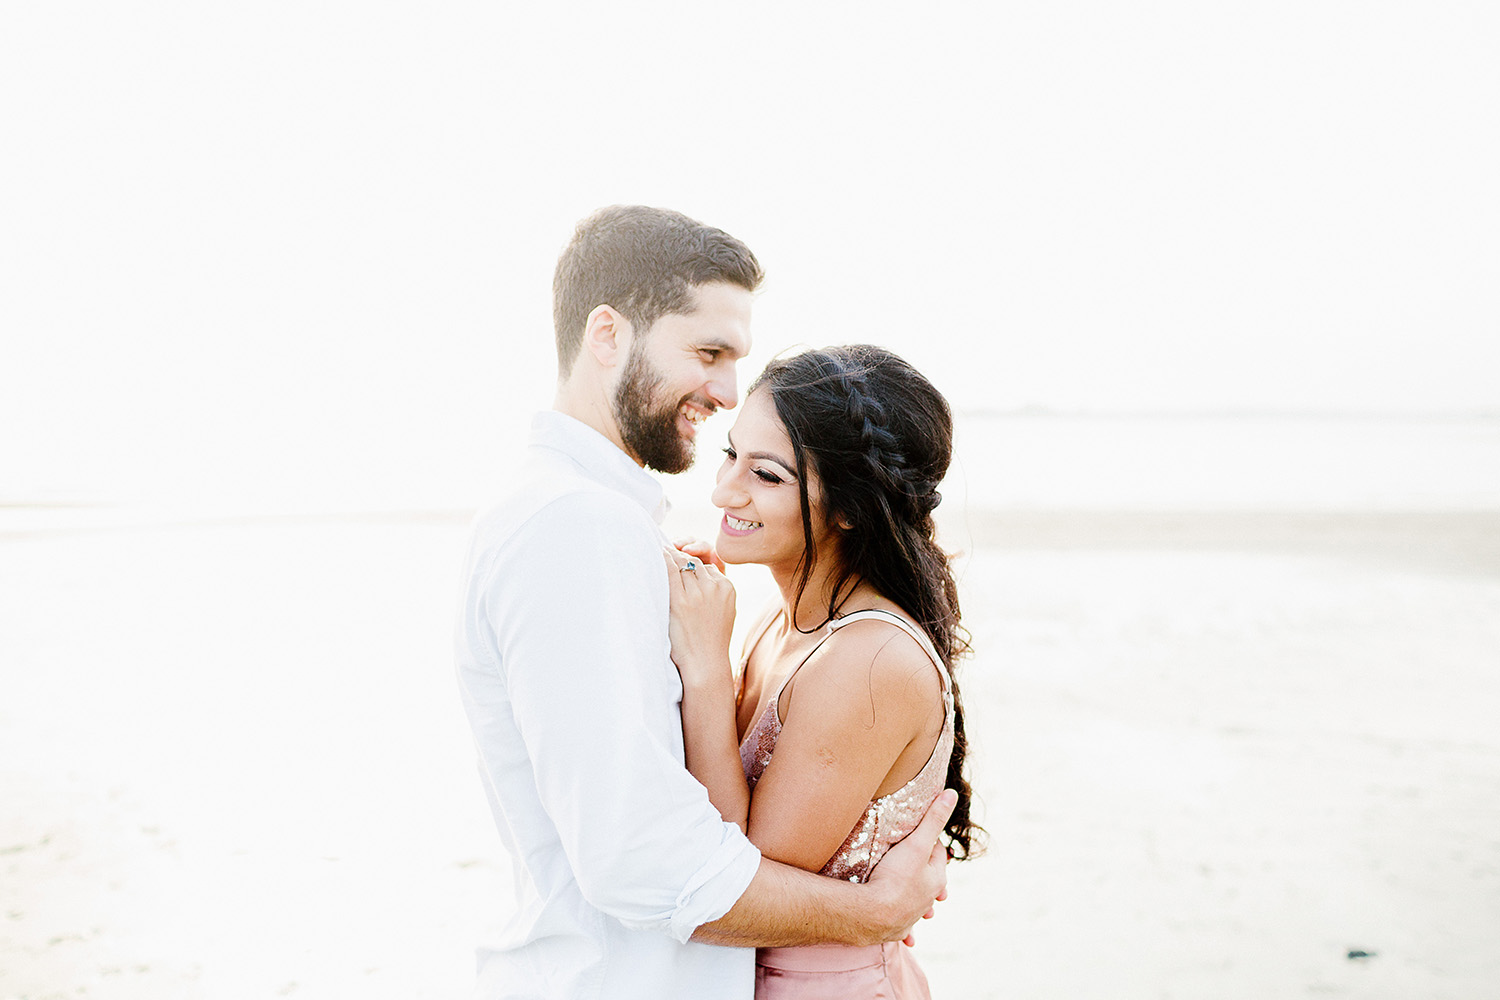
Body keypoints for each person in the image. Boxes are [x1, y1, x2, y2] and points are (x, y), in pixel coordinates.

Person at [454, 207, 956, 1000]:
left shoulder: (607, 523)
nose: (725, 390)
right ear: (609, 334)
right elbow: (643, 857)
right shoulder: (574, 525)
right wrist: (870, 911)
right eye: (707, 352)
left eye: (767, 471)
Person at [663, 344, 982, 998]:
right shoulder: (778, 624)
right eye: (730, 455)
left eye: (767, 475)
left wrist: (704, 669)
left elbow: (740, 882)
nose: (724, 489)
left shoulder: (868, 661)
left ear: (847, 507)